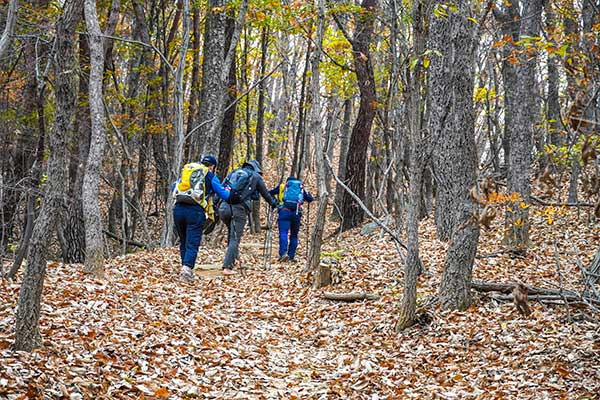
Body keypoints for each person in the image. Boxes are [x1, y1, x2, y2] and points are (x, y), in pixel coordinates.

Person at [173, 155, 230, 281]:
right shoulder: (209, 175)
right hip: (195, 211)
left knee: (184, 241)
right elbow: (223, 194)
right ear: (212, 166)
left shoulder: (188, 173)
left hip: (178, 209)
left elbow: (174, 187)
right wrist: (231, 192)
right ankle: (187, 270)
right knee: (192, 242)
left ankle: (185, 268)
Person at [218, 160, 278, 275]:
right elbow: (265, 194)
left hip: (223, 208)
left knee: (232, 234)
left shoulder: (234, 172)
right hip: (238, 209)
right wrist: (274, 204)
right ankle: (227, 267)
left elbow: (221, 188)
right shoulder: (255, 177)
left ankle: (233, 260)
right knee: (235, 238)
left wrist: (217, 206)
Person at [269, 176, 314, 262]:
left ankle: (283, 253)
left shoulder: (282, 186)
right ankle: (291, 256)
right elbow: (310, 199)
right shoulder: (300, 188)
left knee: (283, 233)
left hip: (284, 212)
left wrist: (275, 202)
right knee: (294, 235)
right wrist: (309, 195)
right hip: (296, 213)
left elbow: (270, 193)